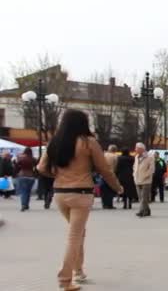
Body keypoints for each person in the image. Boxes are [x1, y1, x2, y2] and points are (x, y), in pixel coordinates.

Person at [37, 109, 123, 290]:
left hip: (60, 193)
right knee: (75, 235)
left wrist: (58, 175)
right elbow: (104, 169)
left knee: (78, 232)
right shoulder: (88, 142)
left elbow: (41, 167)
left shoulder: (55, 142)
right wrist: (117, 187)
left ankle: (78, 270)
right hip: (81, 193)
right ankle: (65, 280)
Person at [133, 142, 155, 217]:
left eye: (136, 148)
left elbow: (152, 169)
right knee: (141, 197)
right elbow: (135, 166)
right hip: (137, 179)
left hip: (146, 180)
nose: (135, 149)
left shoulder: (150, 157)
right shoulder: (136, 157)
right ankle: (147, 210)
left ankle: (141, 211)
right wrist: (134, 174)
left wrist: (145, 175)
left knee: (144, 197)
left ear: (141, 149)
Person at [101, 145, 119, 209]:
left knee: (103, 190)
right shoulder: (115, 156)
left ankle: (104, 204)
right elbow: (116, 166)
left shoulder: (104, 155)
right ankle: (109, 204)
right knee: (110, 190)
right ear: (115, 150)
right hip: (111, 174)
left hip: (103, 174)